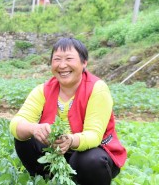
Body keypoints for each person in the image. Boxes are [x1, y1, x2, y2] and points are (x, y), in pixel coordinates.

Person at [9, 37, 127, 185]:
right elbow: (16, 122)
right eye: (57, 59)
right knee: (24, 137)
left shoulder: (97, 88)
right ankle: (47, 180)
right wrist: (34, 128)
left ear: (84, 63)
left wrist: (71, 140)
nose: (62, 65)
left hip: (94, 152)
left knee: (88, 160)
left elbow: (94, 135)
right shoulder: (43, 90)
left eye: (69, 59)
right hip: (56, 152)